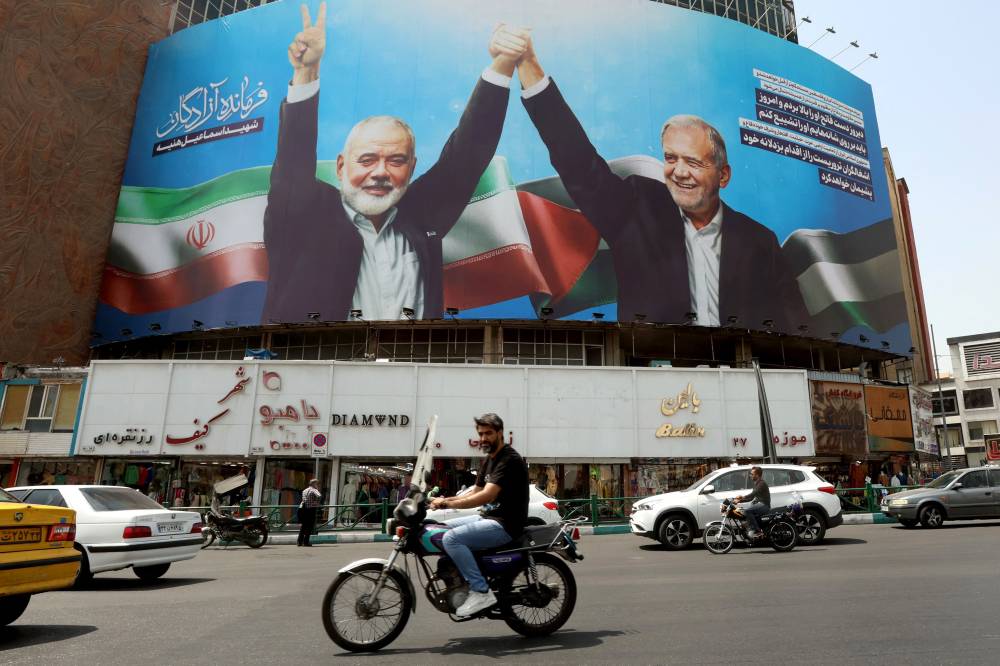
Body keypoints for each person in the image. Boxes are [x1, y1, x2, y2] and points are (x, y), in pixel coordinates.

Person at [511, 33, 812, 332]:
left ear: (723, 175)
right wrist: (530, 69)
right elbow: (579, 165)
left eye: (693, 162)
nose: (679, 172)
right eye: (671, 158)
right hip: (653, 370)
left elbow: (795, 326)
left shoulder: (760, 242)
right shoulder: (636, 207)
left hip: (742, 371)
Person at [262, 3, 529, 323]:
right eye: (367, 159)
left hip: (411, 366)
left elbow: (468, 155)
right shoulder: (305, 213)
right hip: (317, 366)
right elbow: (293, 161)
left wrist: (503, 64)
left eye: (396, 161)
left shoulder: (420, 215)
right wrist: (306, 73)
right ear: (340, 166)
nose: (380, 172)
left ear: (412, 168)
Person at [429, 413, 528, 617]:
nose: (483, 438)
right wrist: (443, 501)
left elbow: (486, 496)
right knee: (442, 530)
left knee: (451, 539)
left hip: (506, 524)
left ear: (500, 433)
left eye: (488, 433)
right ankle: (461, 578)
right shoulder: (489, 460)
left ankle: (481, 590)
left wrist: (447, 503)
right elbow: (474, 492)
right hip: (489, 518)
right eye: (481, 434)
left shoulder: (509, 459)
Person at [735, 466, 770, 539]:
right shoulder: (757, 484)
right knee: (745, 511)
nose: (750, 476)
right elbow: (751, 498)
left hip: (764, 505)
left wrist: (742, 497)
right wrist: (739, 501)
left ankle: (758, 531)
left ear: (757, 475)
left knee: (747, 511)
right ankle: (755, 530)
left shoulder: (761, 484)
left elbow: (753, 494)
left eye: (752, 474)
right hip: (760, 504)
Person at [298, 478, 322, 547]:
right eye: (317, 484)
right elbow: (319, 495)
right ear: (314, 484)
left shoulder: (305, 490)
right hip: (310, 509)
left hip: (303, 508)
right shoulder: (314, 489)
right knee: (309, 526)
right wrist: (317, 503)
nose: (318, 485)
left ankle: (299, 541)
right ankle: (306, 542)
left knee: (303, 526)